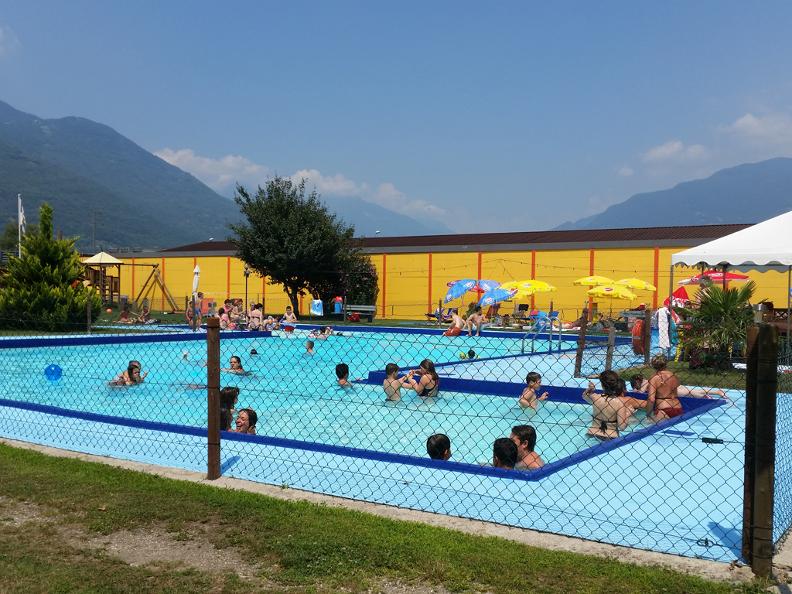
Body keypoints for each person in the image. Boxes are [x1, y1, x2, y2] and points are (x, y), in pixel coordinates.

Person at [582, 370, 636, 440]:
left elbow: (584, 396)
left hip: (591, 434)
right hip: (610, 437)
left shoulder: (595, 398)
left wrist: (589, 389)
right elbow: (622, 427)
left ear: (602, 385)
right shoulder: (619, 404)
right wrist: (628, 413)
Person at [644, 354, 684, 420]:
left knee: (648, 423)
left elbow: (651, 399)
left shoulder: (654, 378)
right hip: (678, 407)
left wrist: (648, 415)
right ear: (666, 363)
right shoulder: (673, 376)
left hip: (664, 409)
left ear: (653, 365)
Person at [630, 374, 727, 400]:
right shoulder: (647, 380)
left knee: (689, 392)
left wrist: (634, 391)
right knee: (691, 390)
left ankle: (705, 397)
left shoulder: (646, 382)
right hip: (670, 385)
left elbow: (641, 392)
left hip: (669, 390)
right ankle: (716, 392)